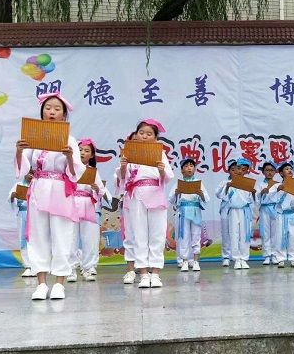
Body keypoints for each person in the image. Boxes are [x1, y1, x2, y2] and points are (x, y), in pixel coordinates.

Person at [15, 93, 86, 300]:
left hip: (60, 190)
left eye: (56, 109)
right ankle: (41, 284)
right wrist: (19, 151)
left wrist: (70, 157)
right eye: (48, 108)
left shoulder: (70, 140)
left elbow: (75, 173)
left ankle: (59, 283)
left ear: (63, 115)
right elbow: (23, 169)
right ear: (42, 112)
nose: (52, 112)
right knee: (38, 236)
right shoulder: (34, 138)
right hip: (39, 188)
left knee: (61, 235)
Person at [117, 119, 174, 288]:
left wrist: (161, 170)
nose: (144, 136)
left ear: (155, 138)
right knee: (139, 234)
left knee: (157, 234)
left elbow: (167, 177)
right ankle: (142, 273)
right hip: (136, 196)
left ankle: (155, 273)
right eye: (141, 133)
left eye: (149, 134)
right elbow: (123, 178)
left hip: (155, 193)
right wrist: (123, 166)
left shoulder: (160, 153)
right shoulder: (130, 153)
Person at [67, 139, 107, 282]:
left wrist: (96, 189)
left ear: (92, 155)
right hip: (71, 204)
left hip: (88, 205)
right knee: (70, 238)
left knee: (90, 238)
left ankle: (88, 268)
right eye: (80, 150)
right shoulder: (68, 168)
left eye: (86, 151)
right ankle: (70, 269)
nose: (82, 153)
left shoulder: (92, 171)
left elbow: (101, 191)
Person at [170, 158, 208, 272]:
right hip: (183, 212)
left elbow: (207, 199)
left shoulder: (198, 183)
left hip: (195, 211)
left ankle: (196, 261)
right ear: (182, 170)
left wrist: (201, 195)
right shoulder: (178, 183)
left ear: (195, 169)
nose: (189, 168)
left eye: (191, 166)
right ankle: (185, 261)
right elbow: (171, 199)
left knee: (196, 236)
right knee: (184, 237)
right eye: (186, 166)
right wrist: (176, 194)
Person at [223, 158, 255, 269]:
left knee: (244, 235)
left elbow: (253, 200)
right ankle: (236, 259)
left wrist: (253, 193)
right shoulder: (229, 183)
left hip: (245, 211)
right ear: (235, 169)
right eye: (239, 168)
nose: (240, 171)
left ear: (247, 171)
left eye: (244, 169)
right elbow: (223, 197)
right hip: (233, 211)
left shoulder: (249, 183)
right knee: (234, 234)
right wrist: (227, 187)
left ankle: (244, 259)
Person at [269, 161, 294, 267]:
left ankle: (293, 258)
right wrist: (278, 190)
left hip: (292, 214)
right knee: (280, 236)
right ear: (281, 173)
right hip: (280, 215)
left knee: (293, 237)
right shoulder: (276, 186)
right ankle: (280, 259)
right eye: (287, 169)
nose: (290, 170)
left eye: (291, 169)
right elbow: (270, 198)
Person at [9, 172, 35, 277]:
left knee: (36, 239)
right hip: (23, 214)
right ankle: (28, 266)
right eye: (29, 173)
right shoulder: (18, 185)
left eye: (32, 173)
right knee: (23, 240)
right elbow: (11, 200)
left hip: (35, 215)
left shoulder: (38, 185)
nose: (30, 175)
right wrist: (12, 197)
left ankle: (37, 266)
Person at [258, 161, 279, 265]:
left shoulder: (278, 184)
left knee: (275, 233)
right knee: (265, 233)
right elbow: (255, 198)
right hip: (264, 209)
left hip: (275, 209)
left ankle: (274, 255)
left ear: (275, 172)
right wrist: (261, 193)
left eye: (272, 170)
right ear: (263, 172)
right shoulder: (260, 184)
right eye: (267, 170)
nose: (269, 172)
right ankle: (267, 256)